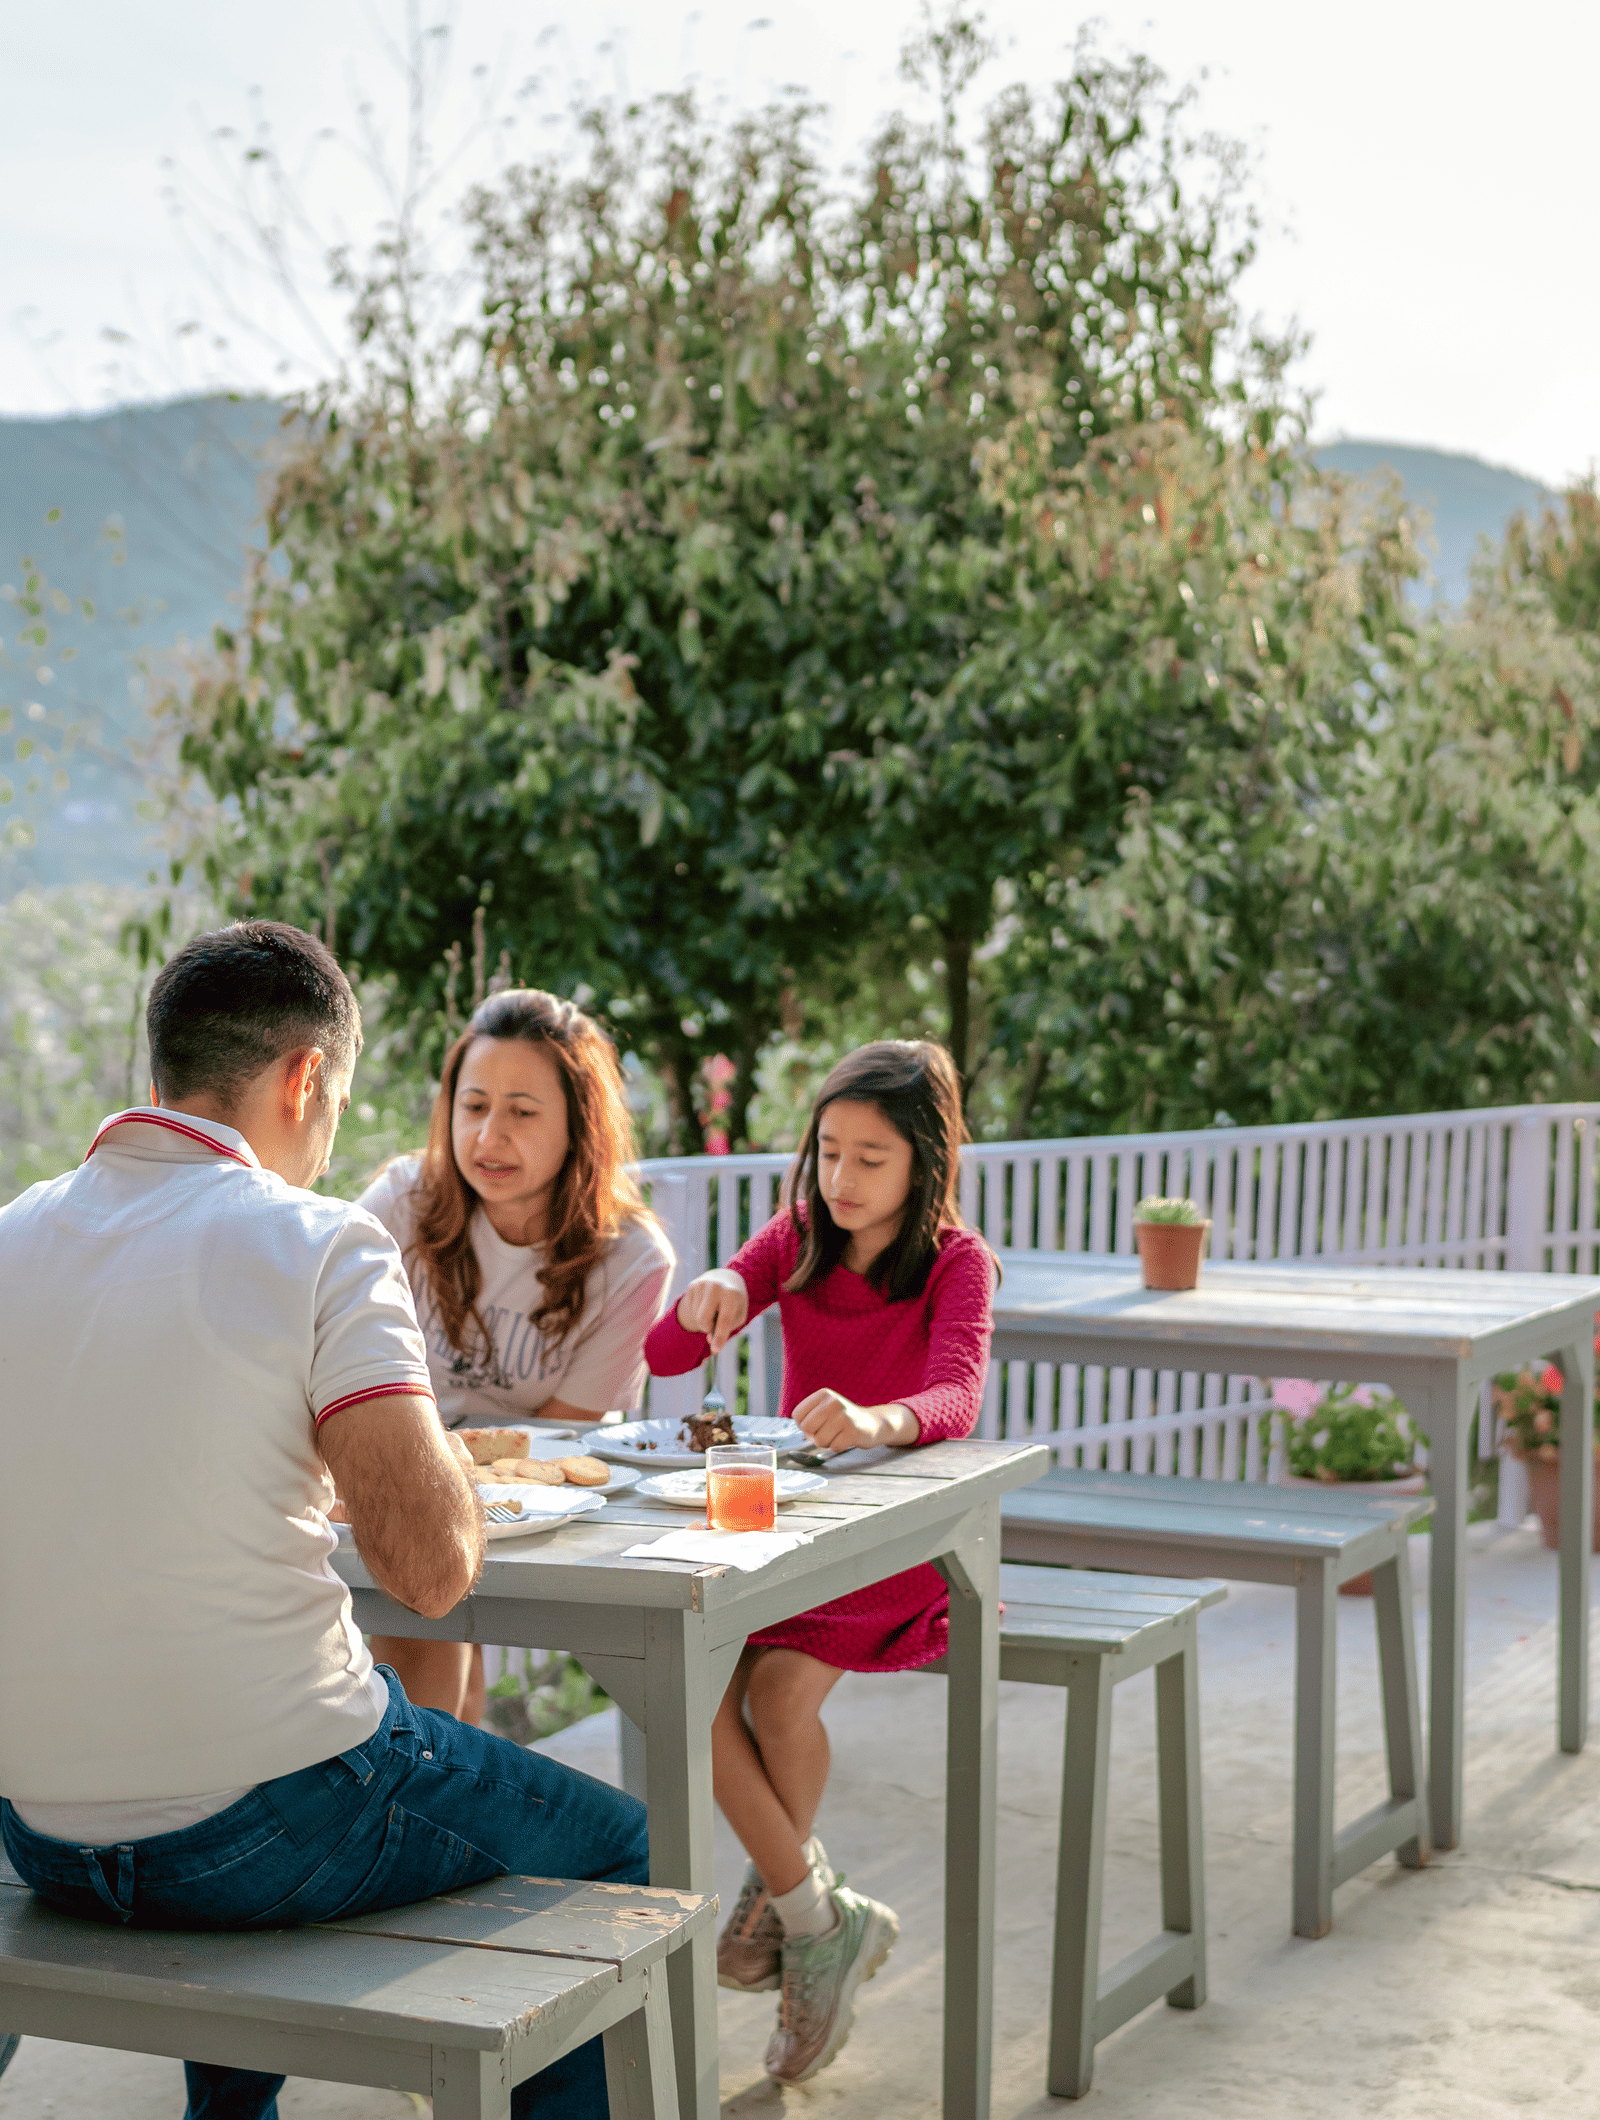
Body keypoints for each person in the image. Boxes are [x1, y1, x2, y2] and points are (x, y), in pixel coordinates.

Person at [0, 922, 648, 2120]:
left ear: (161, 1071)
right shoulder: (319, 1237)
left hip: (36, 1822)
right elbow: (432, 1570)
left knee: (242, 1724)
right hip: (264, 1822)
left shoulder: (10, 1235)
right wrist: (430, 1455)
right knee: (613, 1848)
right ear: (306, 1078)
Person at [643, 1039, 995, 2088]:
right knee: (693, 1685)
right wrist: (711, 1286)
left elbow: (955, 1396)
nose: (840, 1180)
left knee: (781, 1696)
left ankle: (788, 1906)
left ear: (924, 1161)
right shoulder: (796, 1236)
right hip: (787, 1526)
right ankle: (814, 1914)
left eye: (869, 1158)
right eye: (827, 1152)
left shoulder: (955, 1261)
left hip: (892, 1531)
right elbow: (667, 1355)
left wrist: (876, 1417)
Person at [357, 988, 674, 1721]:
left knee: (430, 1662)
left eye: (523, 1112)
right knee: (418, 1652)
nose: (488, 1137)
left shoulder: (631, 1257)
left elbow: (564, 1437)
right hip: (393, 1480)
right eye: (473, 1107)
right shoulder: (401, 1203)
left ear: (578, 1126)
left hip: (534, 1507)